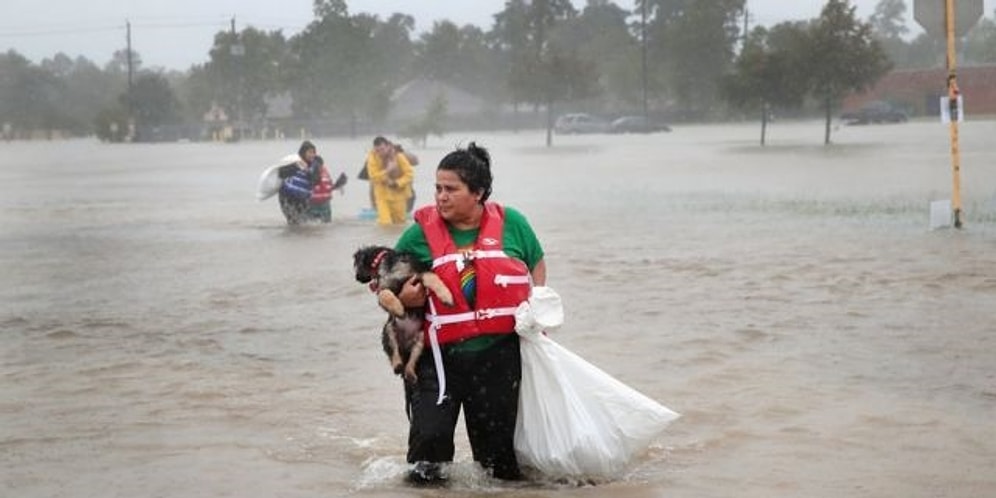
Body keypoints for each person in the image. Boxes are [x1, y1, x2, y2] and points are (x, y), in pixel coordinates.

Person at [393, 142, 547, 484]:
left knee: (497, 466)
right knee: (428, 454)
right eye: (437, 188)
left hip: (497, 357)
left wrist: (536, 305)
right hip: (437, 359)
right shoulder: (419, 234)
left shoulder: (513, 223)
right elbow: (387, 283)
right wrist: (406, 295)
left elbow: (535, 263)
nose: (440, 197)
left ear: (478, 193)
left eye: (451, 189)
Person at [365, 136, 414, 225]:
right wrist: (388, 170)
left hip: (399, 195)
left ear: (388, 146)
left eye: (382, 149)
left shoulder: (399, 156)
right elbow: (373, 176)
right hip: (382, 195)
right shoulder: (372, 158)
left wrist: (396, 183)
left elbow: (409, 174)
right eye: (377, 150)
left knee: (400, 224)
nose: (380, 153)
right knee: (385, 223)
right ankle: (382, 239)